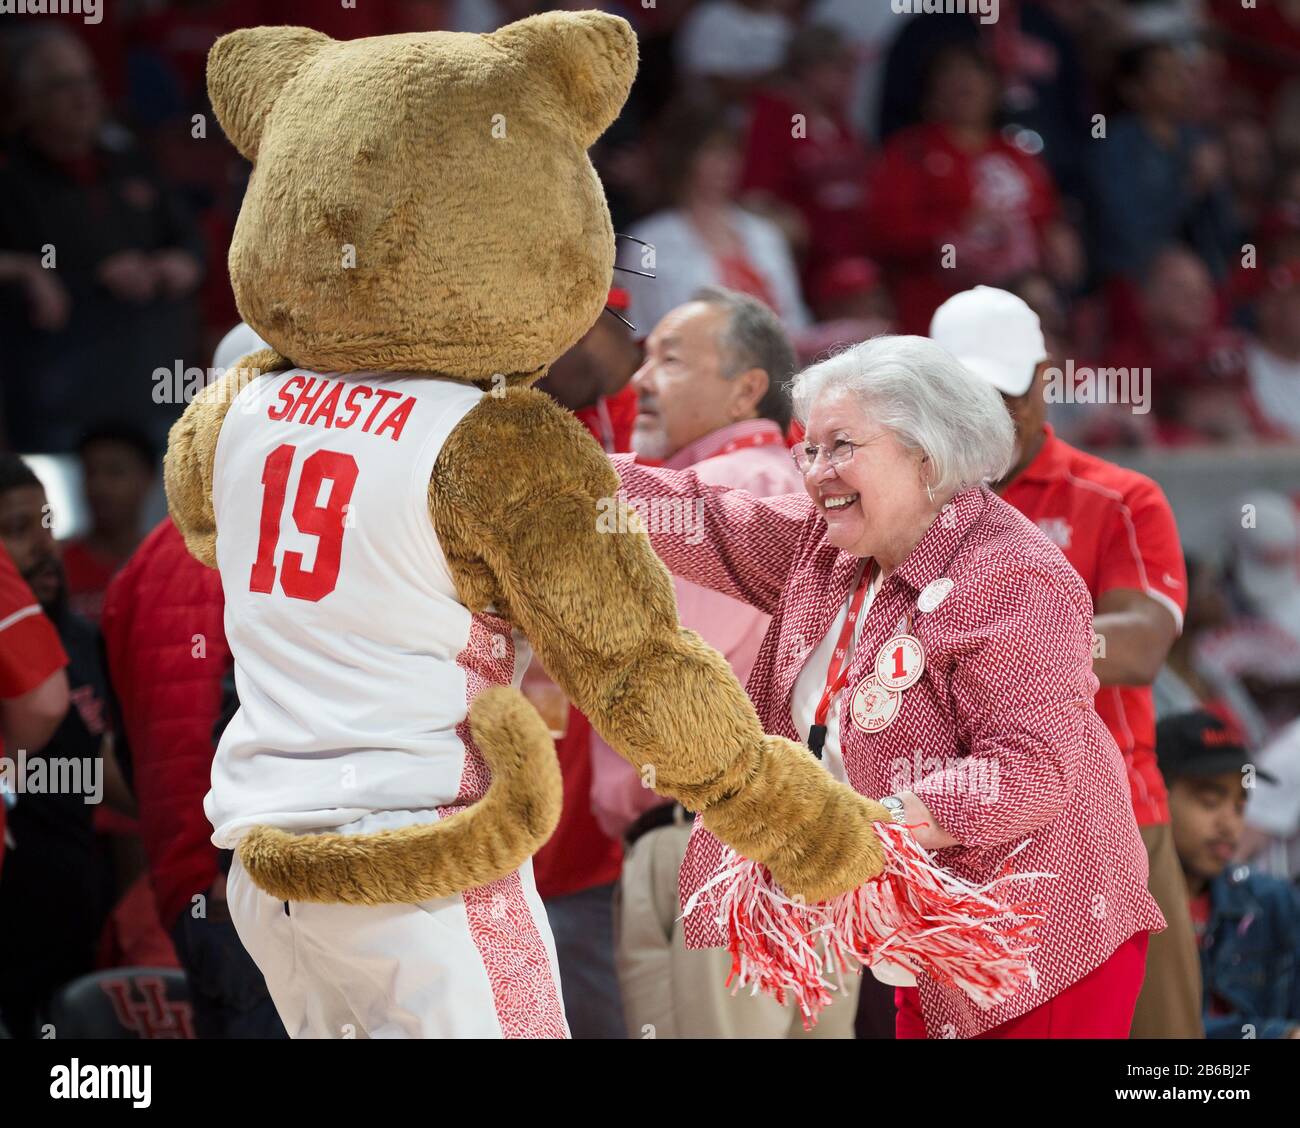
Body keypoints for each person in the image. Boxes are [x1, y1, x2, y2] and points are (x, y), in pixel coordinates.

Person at [611, 335, 1165, 1039]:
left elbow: (1032, 770)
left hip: (1034, 941)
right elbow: (706, 517)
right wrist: (566, 473)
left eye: (841, 446)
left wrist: (866, 827)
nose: (815, 473)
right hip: (920, 933)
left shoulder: (1014, 573)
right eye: (808, 449)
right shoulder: (829, 545)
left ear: (926, 456)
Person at [931, 285, 1203, 1039]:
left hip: (1112, 819)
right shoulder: (910, 505)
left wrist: (994, 642)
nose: (988, 416)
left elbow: (1142, 644)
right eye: (966, 396)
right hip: (959, 829)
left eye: (1006, 394)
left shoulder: (1119, 498)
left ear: (1044, 383)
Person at [596, 287, 842, 1038]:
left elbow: (657, 678)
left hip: (721, 840)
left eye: (670, 360)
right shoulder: (798, 486)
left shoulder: (741, 489)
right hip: (782, 839)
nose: (639, 381)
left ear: (746, 389)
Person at [0, 26, 205, 451]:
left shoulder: (128, 157)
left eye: (89, 79)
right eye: (63, 84)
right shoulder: (10, 177)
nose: (84, 95)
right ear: (26, 98)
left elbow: (187, 236)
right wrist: (42, 272)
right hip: (60, 404)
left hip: (155, 387)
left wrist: (181, 262)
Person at [0, 454, 134, 1036]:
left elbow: (95, 764)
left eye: (46, 523)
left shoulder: (76, 636)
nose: (43, 546)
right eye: (15, 530)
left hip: (75, 921)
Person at [867, 43, 1077, 335]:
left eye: (974, 73)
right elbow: (886, 230)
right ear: (931, 93)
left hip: (1022, 297)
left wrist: (1057, 236)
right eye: (951, 75)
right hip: (939, 301)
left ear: (994, 89)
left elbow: (1047, 216)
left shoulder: (1018, 153)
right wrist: (956, 230)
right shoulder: (910, 152)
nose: (963, 81)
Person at [1157, 710, 1300, 1039]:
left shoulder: (1271, 902)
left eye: (1240, 806)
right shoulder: (1122, 910)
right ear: (1156, 796)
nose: (1229, 824)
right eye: (1209, 801)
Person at [626, 99, 810, 340]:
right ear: (686, 158)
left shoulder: (765, 234)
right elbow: (639, 328)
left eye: (732, 152)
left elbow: (795, 320)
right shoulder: (648, 242)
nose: (727, 164)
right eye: (712, 151)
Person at [61, 423, 157, 624]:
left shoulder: (169, 565)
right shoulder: (56, 566)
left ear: (148, 478)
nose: (99, 486)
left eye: (114, 472)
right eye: (91, 472)